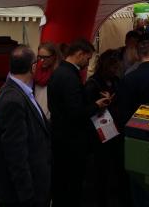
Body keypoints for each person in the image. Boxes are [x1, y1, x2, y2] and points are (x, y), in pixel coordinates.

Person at [0, 46, 51, 207]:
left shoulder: (20, 92)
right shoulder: (13, 99)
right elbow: (15, 153)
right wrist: (27, 195)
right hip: (22, 194)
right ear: (33, 67)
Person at [48, 39, 111, 207]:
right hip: (71, 141)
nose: (88, 63)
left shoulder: (59, 71)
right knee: (71, 184)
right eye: (87, 58)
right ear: (79, 54)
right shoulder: (69, 76)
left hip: (60, 137)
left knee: (61, 183)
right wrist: (96, 105)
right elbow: (75, 112)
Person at [85, 49, 130, 207]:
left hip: (116, 129)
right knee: (101, 170)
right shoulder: (93, 83)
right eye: (112, 66)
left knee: (117, 167)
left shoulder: (116, 81)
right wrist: (101, 104)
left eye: (116, 66)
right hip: (99, 133)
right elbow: (86, 110)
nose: (114, 69)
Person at [33, 42, 61, 121]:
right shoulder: (35, 70)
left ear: (54, 57)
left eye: (46, 57)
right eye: (40, 57)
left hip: (51, 117)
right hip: (36, 114)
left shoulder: (58, 73)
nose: (42, 60)